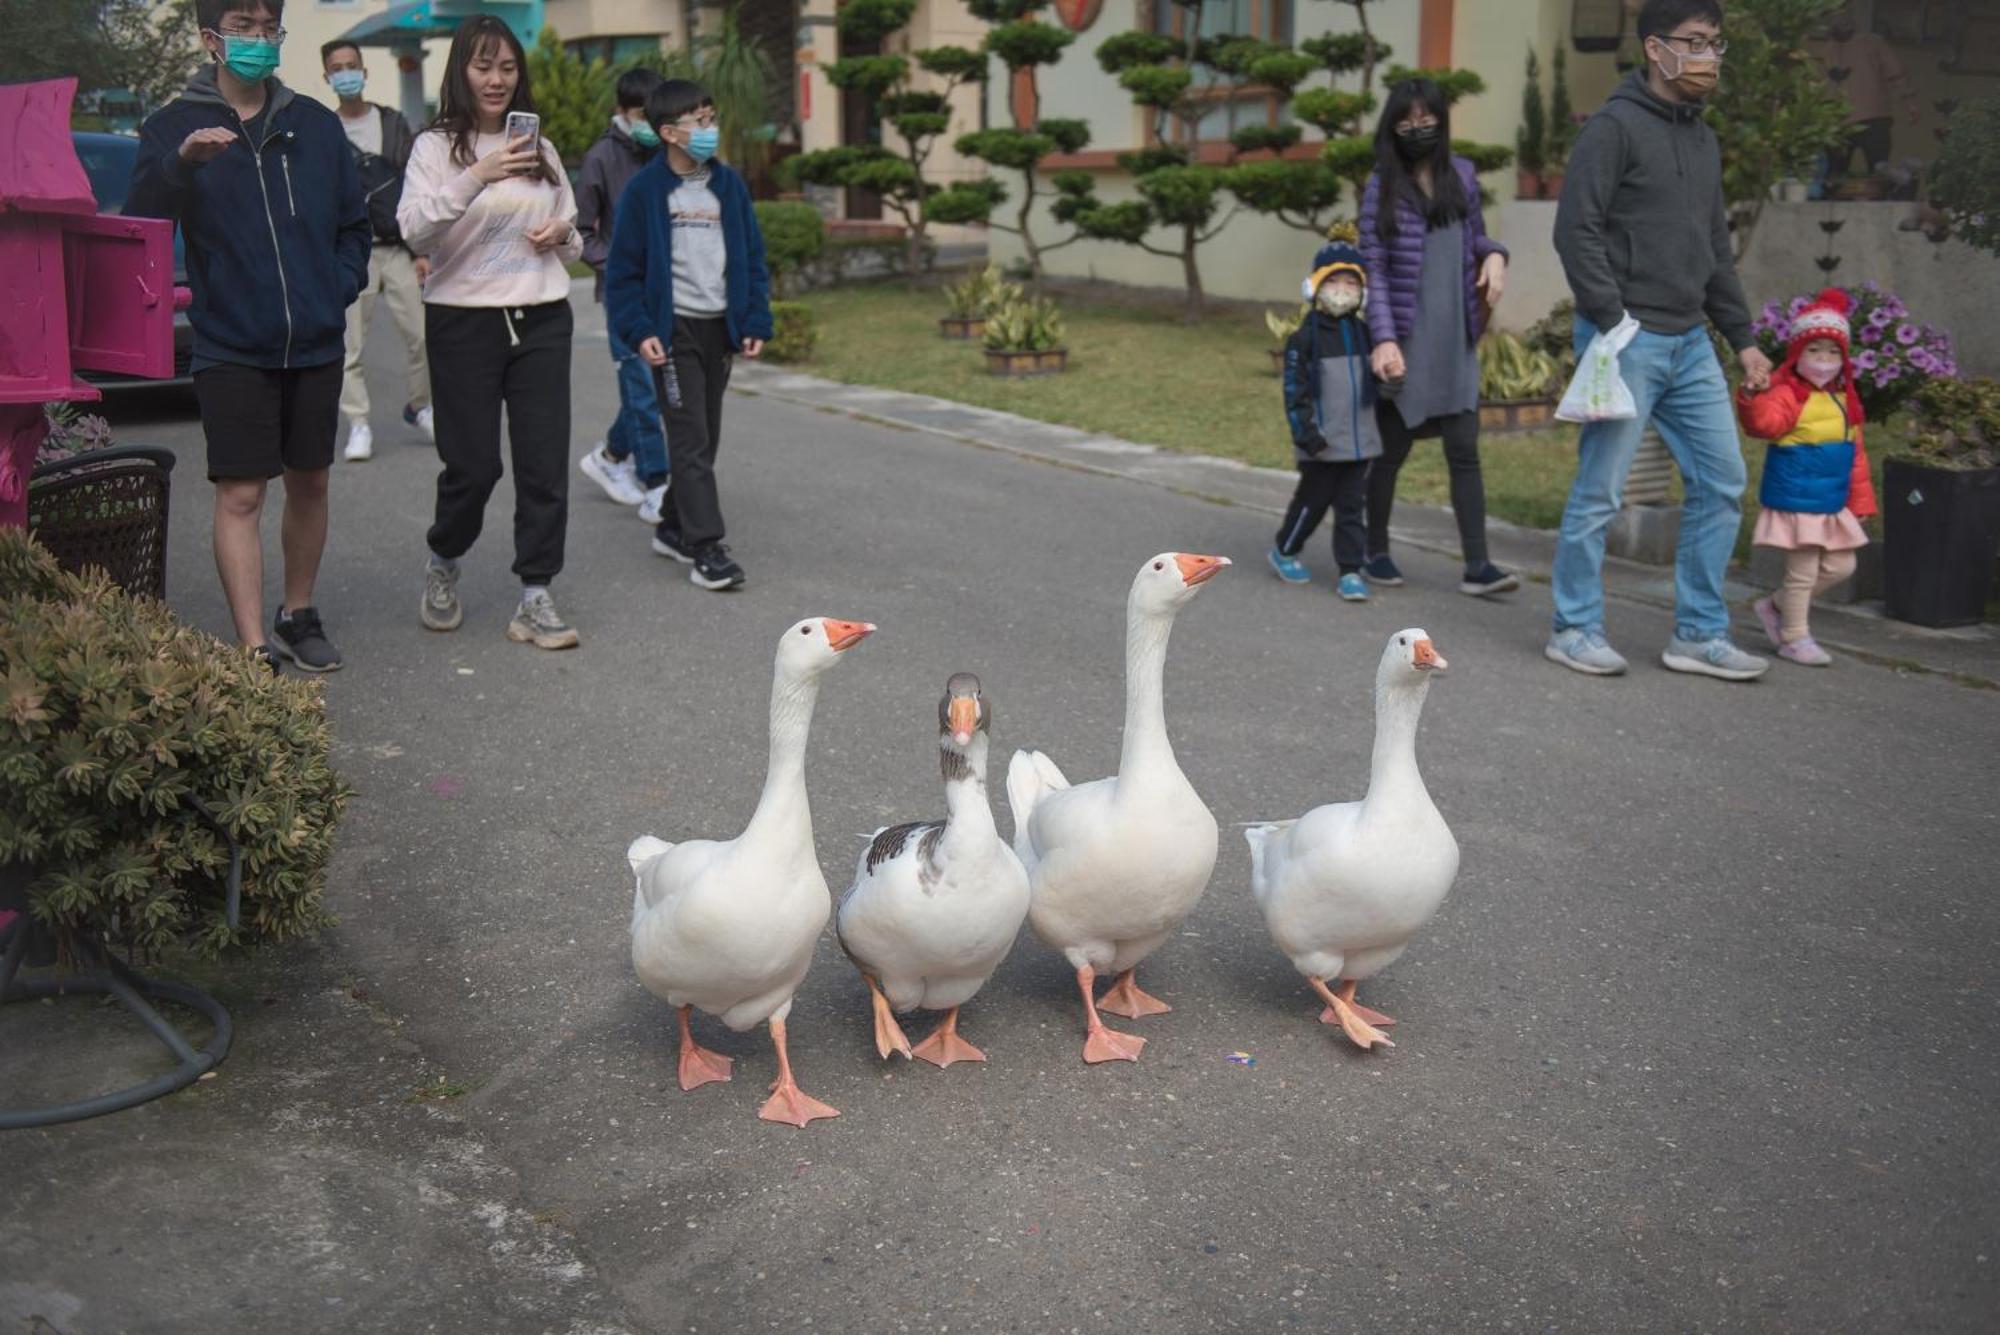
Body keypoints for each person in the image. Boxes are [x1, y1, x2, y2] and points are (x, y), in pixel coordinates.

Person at [129, 0, 368, 674]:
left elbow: (354, 226)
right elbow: (141, 224)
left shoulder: (315, 126)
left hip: (315, 337)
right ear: (212, 39)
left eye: (270, 28)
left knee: (311, 482)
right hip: (232, 342)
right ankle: (253, 643)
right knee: (241, 493)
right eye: (245, 29)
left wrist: (335, 286)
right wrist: (181, 163)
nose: (261, 41)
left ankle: (299, 612)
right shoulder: (172, 126)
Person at [1548, 0, 1774, 681]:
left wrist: (1742, 338)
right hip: (1628, 339)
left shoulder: (1702, 138)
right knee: (1601, 491)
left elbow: (1714, 246)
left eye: (1715, 43)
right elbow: (1575, 231)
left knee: (1723, 480)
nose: (1709, 56)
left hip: (1691, 341)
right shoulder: (1613, 128)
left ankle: (1698, 634)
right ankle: (1574, 626)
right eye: (1696, 41)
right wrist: (1613, 317)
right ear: (1655, 47)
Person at [396, 15, 584, 649]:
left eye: (507, 67)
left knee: (542, 465)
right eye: (483, 67)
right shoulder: (433, 148)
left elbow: (573, 237)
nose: (497, 79)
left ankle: (536, 593)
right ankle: (444, 559)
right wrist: (479, 173)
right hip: (462, 322)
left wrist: (564, 235)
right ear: (461, 72)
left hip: (541, 318)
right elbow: (416, 230)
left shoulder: (542, 148)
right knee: (473, 467)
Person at [606, 78, 773, 593]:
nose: (710, 128)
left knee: (706, 439)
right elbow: (623, 272)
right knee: (691, 439)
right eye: (699, 121)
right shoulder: (646, 191)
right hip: (672, 329)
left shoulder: (729, 185)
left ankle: (674, 526)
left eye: (711, 116)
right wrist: (638, 330)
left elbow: (751, 257)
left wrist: (754, 320)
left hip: (717, 329)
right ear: (669, 133)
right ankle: (706, 548)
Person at [1357, 79, 1519, 599]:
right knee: (1391, 450)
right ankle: (1373, 548)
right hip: (1406, 336)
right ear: (1392, 127)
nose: (1417, 129)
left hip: (1455, 337)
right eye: (1406, 122)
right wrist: (1383, 339)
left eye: (1427, 120)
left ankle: (1478, 565)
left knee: (1464, 449)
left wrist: (1495, 254)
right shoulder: (1380, 186)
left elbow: (1476, 237)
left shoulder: (1463, 175)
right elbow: (1373, 269)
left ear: (1442, 122)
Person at [1738, 289, 1876, 667]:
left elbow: (1856, 455)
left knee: (1842, 566)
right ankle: (1794, 637)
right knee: (1803, 573)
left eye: (1833, 353)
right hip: (1798, 498)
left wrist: (1860, 502)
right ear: (1798, 354)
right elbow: (1763, 425)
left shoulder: (1844, 398)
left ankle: (1775, 605)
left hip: (1831, 501)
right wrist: (1752, 396)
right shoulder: (1787, 394)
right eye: (1815, 351)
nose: (1824, 360)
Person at [321, 38, 432, 463]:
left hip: (398, 248)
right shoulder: (324, 130)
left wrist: (419, 248)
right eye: (338, 67)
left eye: (352, 65)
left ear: (365, 72)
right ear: (327, 77)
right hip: (352, 252)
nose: (346, 73)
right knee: (350, 345)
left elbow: (413, 184)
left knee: (423, 337)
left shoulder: (393, 123)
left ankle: (420, 406)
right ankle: (359, 423)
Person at [575, 67, 668, 515]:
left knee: (655, 385)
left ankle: (610, 456)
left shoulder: (668, 152)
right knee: (642, 386)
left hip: (667, 291)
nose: (648, 123)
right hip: (623, 294)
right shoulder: (601, 158)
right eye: (640, 115)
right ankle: (657, 484)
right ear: (622, 113)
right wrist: (617, 268)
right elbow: (580, 231)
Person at [1269, 237, 1382, 602]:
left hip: (1359, 442)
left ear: (1362, 293)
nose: (1342, 291)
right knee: (1312, 502)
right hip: (1320, 442)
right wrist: (1307, 435)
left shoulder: (1366, 335)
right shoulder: (1304, 339)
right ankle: (1285, 548)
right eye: (1333, 282)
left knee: (1352, 507)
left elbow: (1379, 385)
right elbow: (1294, 392)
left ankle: (1350, 570)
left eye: (1351, 283)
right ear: (1315, 286)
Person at [1807, 3, 1920, 182]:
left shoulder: (1872, 43)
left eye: (1844, 20)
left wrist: (1910, 103)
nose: (1840, 24)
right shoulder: (1827, 50)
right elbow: (1816, 85)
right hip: (1839, 122)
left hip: (1872, 118)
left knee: (1878, 168)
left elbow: (1896, 74)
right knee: (1836, 170)